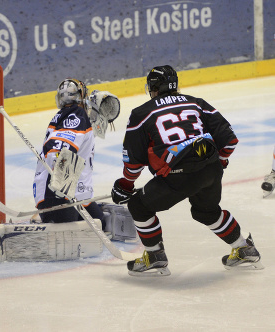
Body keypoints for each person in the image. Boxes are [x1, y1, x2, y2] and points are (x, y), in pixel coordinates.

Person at [111, 65, 263, 276]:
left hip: (178, 177)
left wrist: (125, 186)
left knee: (138, 206)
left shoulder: (141, 113)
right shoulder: (197, 103)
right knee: (206, 211)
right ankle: (244, 247)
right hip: (210, 168)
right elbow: (230, 141)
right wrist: (220, 163)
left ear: (153, 87)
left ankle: (154, 256)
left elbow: (134, 163)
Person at [33, 79, 120, 229]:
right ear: (81, 95)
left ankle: (49, 217)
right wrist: (62, 191)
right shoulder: (77, 115)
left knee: (100, 223)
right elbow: (57, 151)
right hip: (57, 192)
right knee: (72, 236)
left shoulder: (71, 115)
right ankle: (45, 220)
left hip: (73, 193)